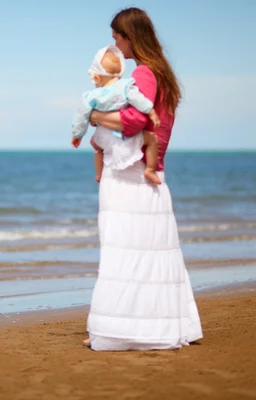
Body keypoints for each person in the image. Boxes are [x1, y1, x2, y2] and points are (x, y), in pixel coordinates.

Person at [84, 7, 203, 351]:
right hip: (152, 177)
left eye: (117, 37)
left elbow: (134, 122)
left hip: (129, 179)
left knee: (123, 254)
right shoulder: (162, 75)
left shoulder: (145, 75)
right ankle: (163, 324)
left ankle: (118, 330)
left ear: (131, 36)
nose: (115, 43)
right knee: (153, 255)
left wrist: (95, 115)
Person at [71, 45, 162, 184]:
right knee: (152, 139)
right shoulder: (126, 87)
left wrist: (77, 135)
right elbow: (138, 99)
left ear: (97, 77)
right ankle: (150, 169)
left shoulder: (90, 96)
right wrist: (151, 112)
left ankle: (99, 174)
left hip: (103, 136)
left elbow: (81, 116)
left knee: (95, 146)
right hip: (124, 135)